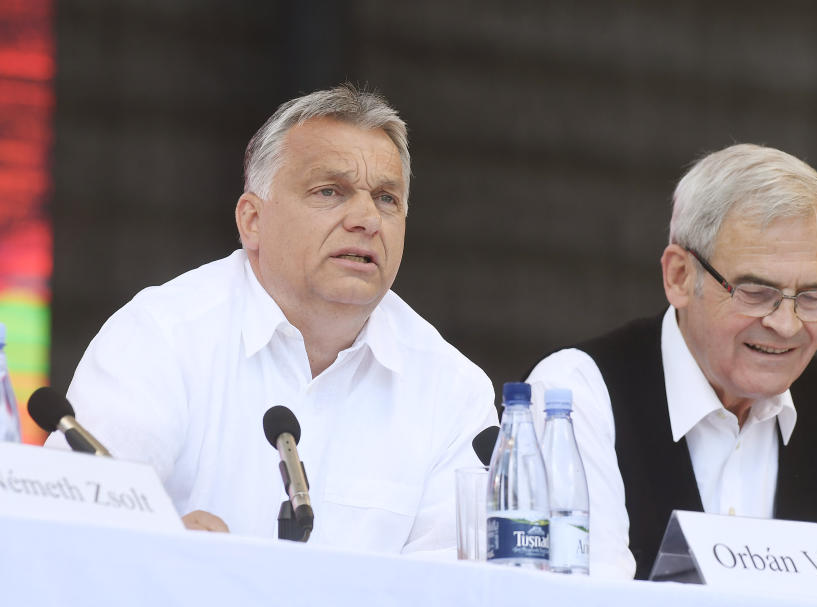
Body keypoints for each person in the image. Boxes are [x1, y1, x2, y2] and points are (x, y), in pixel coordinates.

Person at [46, 84, 497, 555]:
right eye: (330, 191)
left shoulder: (453, 391)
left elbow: (455, 597)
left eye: (387, 199)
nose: (366, 218)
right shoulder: (161, 338)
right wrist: (160, 557)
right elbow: (64, 537)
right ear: (252, 220)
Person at [526, 143, 817, 580]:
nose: (786, 325)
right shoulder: (577, 395)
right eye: (756, 293)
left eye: (811, 297)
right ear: (679, 276)